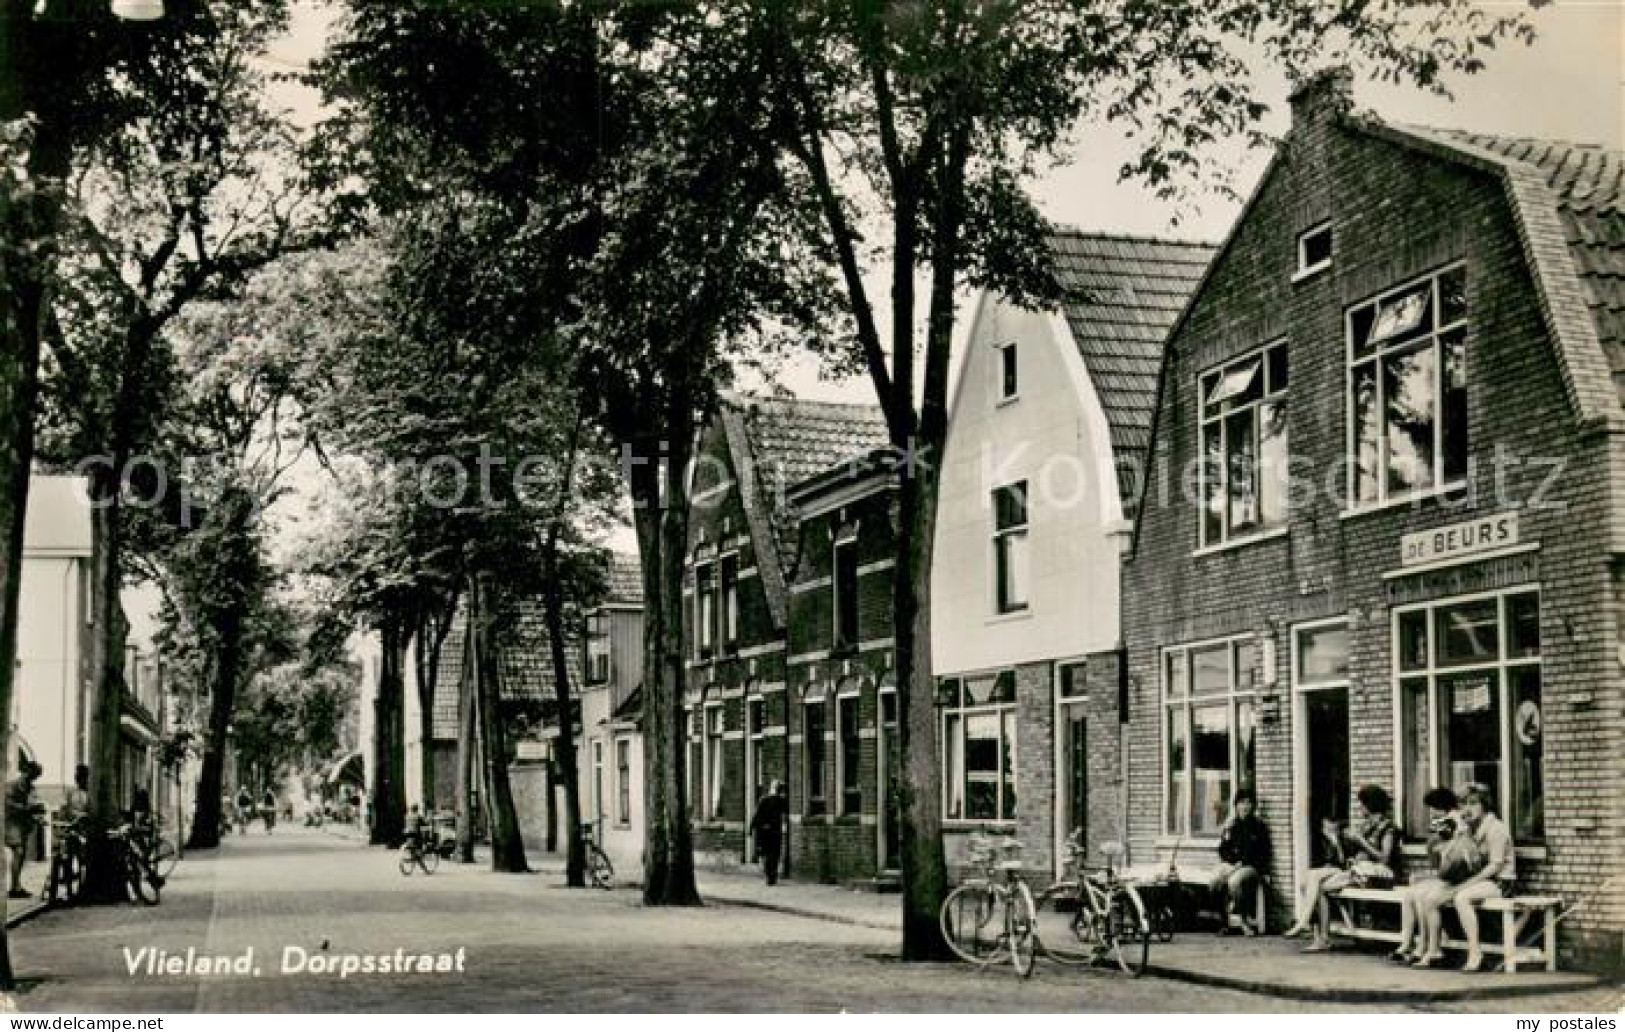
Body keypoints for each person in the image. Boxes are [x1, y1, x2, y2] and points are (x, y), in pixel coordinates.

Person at [1283, 784, 1401, 951]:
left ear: (1370, 805)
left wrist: (1361, 841)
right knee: (1313, 881)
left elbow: (1385, 858)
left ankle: (1310, 927)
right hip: (1358, 872)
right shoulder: (1365, 826)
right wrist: (1337, 841)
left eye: (1362, 804)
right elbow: (1347, 855)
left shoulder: (1388, 827)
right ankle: (1318, 934)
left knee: (1315, 883)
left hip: (1379, 875)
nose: (1360, 808)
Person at [1393, 785, 1471, 967]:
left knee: (1421, 894)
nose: (1432, 814)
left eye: (1435, 809)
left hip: (1457, 877)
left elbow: (1446, 854)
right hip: (1447, 874)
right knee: (1411, 892)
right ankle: (1413, 944)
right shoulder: (1447, 822)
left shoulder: (1453, 822)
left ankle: (1430, 948)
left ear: (1444, 807)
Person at [1444, 783, 1515, 972]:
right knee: (1439, 893)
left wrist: (1464, 886)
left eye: (1474, 803)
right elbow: (1454, 860)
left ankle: (1475, 952)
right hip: (1482, 881)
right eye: (1464, 804)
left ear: (1485, 804)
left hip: (1500, 882)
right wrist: (1458, 834)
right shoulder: (1470, 829)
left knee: (1461, 897)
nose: (1468, 809)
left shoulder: (1496, 828)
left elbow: (1495, 866)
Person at [1210, 788, 1271, 935]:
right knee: (1214, 881)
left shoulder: (1258, 826)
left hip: (1251, 867)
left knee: (1234, 882)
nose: (1245, 806)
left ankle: (1244, 921)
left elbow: (1264, 853)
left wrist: (1242, 863)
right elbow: (1223, 850)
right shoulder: (1232, 825)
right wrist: (1225, 835)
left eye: (1249, 803)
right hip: (1233, 864)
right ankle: (1223, 922)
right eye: (1242, 803)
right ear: (1236, 805)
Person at [6, 759, 44, 899]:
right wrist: (27, 809)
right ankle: (15, 887)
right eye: (34, 774)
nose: (34, 778)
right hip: (12, 823)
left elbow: (33, 802)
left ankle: (17, 886)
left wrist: (37, 813)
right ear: (28, 771)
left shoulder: (31, 787)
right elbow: (8, 804)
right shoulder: (13, 785)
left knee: (21, 855)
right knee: (18, 851)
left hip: (23, 824)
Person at [748, 780, 789, 886]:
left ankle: (771, 875)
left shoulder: (772, 800)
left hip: (771, 831)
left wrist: (751, 829)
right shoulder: (770, 800)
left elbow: (756, 815)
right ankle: (771, 875)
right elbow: (757, 815)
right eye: (778, 789)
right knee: (772, 854)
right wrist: (752, 828)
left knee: (771, 854)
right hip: (769, 832)